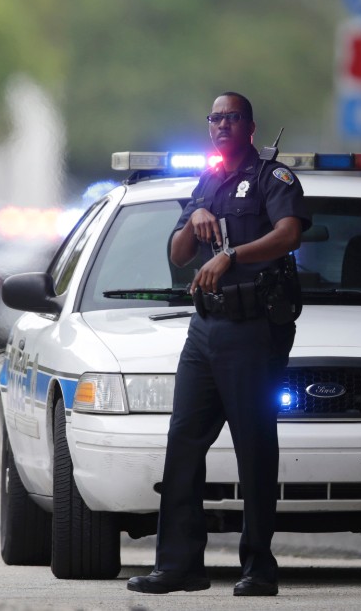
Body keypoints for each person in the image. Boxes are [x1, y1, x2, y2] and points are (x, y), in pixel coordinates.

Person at [127, 92, 311, 597]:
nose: (222, 125)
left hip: (253, 328)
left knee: (254, 446)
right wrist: (195, 220)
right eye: (215, 118)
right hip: (205, 328)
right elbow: (179, 253)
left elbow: (289, 234)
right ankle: (179, 565)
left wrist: (229, 254)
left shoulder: (274, 178)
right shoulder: (207, 181)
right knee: (183, 443)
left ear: (250, 126)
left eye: (232, 118)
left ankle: (258, 567)